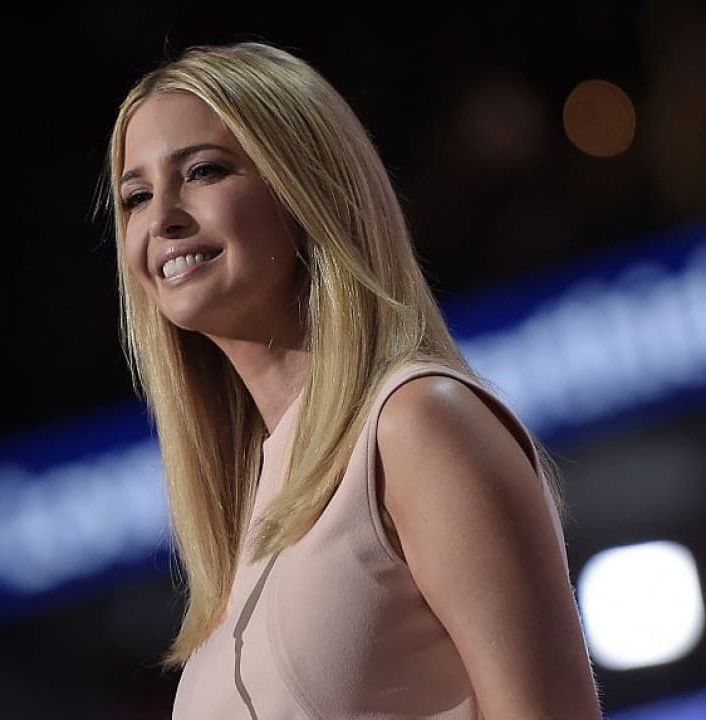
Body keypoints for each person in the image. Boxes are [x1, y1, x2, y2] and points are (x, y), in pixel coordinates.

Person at [103, 42, 603, 718]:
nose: (162, 217)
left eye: (203, 171)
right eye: (136, 196)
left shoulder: (418, 424)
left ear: (307, 186)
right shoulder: (250, 504)